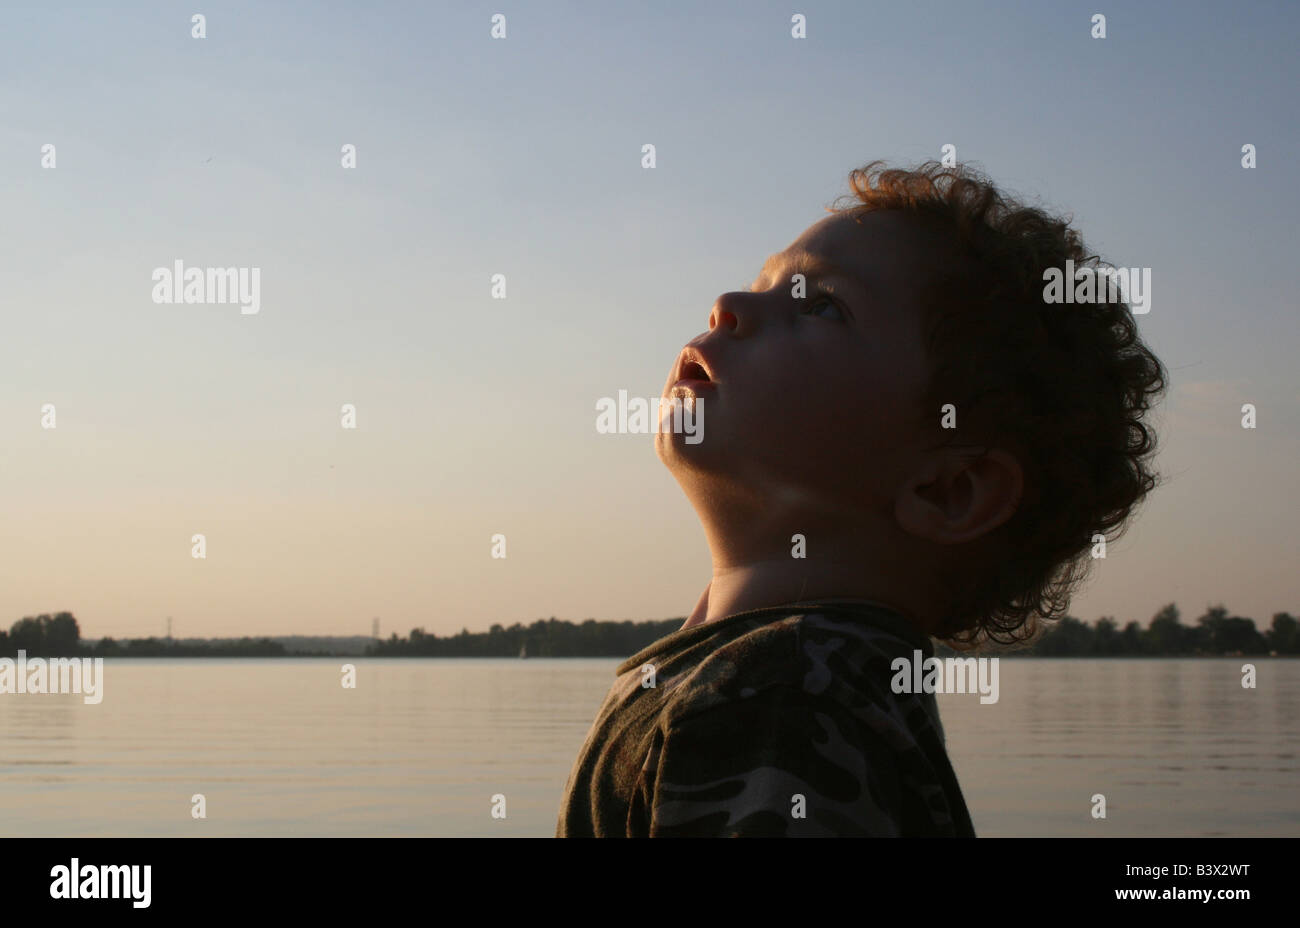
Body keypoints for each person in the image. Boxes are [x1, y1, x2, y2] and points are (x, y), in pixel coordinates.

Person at [557, 160, 1167, 837]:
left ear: (946, 488)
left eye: (821, 306)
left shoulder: (778, 699)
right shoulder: (804, 684)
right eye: (765, 282)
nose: (728, 305)